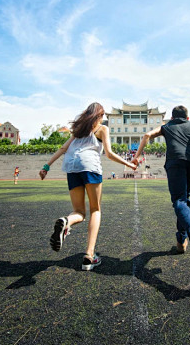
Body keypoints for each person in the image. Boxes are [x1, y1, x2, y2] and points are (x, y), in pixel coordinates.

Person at [39, 102, 138, 271]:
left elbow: (63, 148)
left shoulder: (78, 131)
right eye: (103, 116)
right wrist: (129, 164)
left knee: (78, 211)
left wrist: (46, 166)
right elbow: (109, 154)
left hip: (71, 166)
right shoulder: (102, 129)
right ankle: (89, 256)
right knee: (95, 210)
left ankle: (66, 221)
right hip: (89, 165)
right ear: (99, 116)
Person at [132, 105, 190, 279]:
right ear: (187, 117)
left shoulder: (166, 127)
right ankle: (180, 241)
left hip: (175, 159)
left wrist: (137, 156)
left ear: (172, 118)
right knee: (185, 199)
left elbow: (147, 135)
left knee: (179, 201)